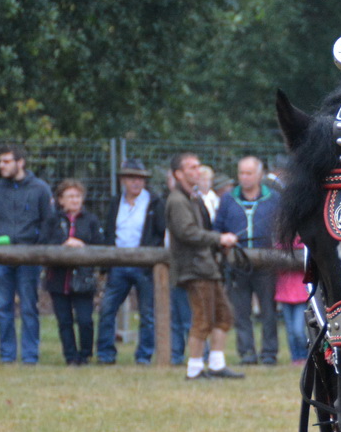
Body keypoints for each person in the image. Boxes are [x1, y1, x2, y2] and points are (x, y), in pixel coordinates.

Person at [164, 151, 244, 380]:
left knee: (223, 316)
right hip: (194, 268)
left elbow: (202, 231)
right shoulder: (178, 200)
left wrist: (220, 245)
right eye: (191, 167)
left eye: (198, 166)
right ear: (178, 174)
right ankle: (195, 369)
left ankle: (216, 365)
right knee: (202, 319)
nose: (197, 171)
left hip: (207, 266)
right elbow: (186, 232)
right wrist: (219, 239)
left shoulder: (193, 198)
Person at [0, 145, 56, 365]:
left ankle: (30, 356)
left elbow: (48, 221)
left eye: (6, 161)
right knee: (3, 308)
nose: (1, 165)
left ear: (20, 162)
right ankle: (7, 356)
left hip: (29, 258)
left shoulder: (40, 188)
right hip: (1, 257)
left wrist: (37, 250)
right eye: (0, 161)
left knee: (29, 307)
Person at [95, 158, 164, 365]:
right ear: (123, 180)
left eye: (140, 179)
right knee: (107, 310)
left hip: (144, 265)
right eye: (132, 178)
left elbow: (161, 232)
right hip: (118, 265)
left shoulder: (155, 202)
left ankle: (144, 356)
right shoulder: (116, 202)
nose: (136, 182)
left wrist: (151, 255)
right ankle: (105, 355)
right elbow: (109, 231)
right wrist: (106, 264)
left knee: (147, 314)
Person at [214, 155, 282, 365]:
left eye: (249, 173)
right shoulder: (228, 199)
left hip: (266, 264)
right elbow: (217, 227)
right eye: (241, 173)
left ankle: (269, 353)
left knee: (268, 311)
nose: (244, 177)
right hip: (237, 264)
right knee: (241, 312)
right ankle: (247, 353)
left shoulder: (274, 199)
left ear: (260, 175)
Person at [43, 179, 102, 365]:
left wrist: (82, 246)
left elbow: (101, 245)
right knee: (64, 321)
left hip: (83, 279)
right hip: (58, 278)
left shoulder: (91, 220)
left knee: (85, 320)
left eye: (78, 196)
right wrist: (63, 246)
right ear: (60, 200)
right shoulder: (52, 220)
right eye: (70, 196)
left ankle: (85, 354)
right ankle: (70, 356)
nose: (75, 200)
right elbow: (43, 244)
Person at [275, 237, 311, 364]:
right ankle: (295, 357)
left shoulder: (305, 244)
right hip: (284, 294)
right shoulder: (280, 244)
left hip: (301, 295)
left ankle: (305, 355)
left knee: (298, 331)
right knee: (290, 332)